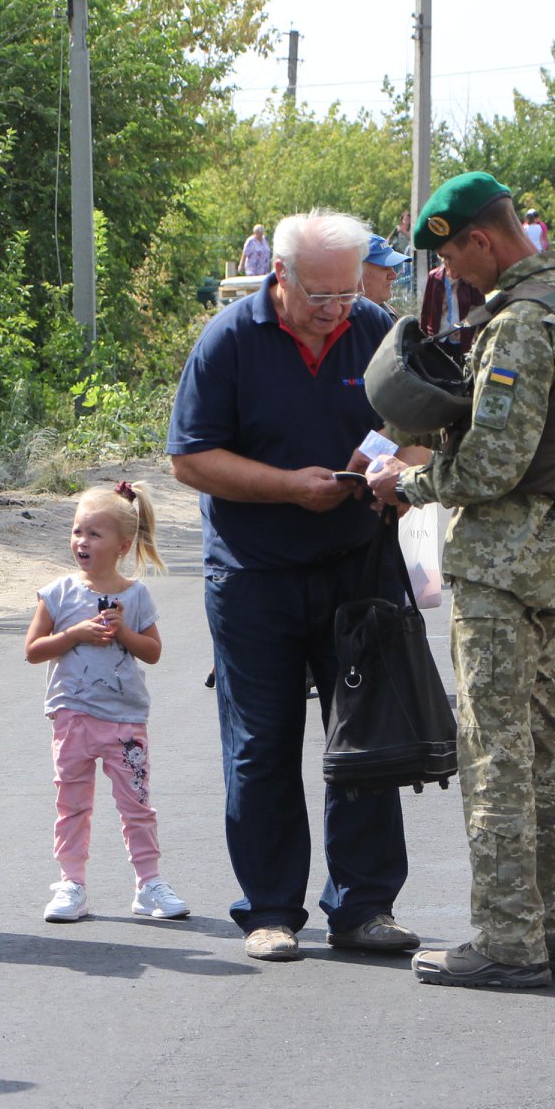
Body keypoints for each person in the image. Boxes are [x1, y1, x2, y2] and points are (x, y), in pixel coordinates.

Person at [368, 172, 555, 990]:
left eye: (452, 260)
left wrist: (405, 485)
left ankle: (510, 942)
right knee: (548, 743)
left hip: (502, 566)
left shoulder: (519, 323)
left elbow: (491, 463)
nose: (452, 277)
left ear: (480, 238)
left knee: (494, 752)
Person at [167, 208, 418, 964]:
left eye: (345, 294)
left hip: (357, 566)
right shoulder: (229, 341)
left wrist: (389, 466)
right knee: (260, 747)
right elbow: (190, 458)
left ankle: (365, 907)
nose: (335, 309)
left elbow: (422, 427)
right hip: (255, 576)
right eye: (320, 295)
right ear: (279, 276)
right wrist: (284, 487)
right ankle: (271, 910)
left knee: (366, 741)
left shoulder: (375, 329)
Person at [24, 481, 187, 924]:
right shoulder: (56, 593)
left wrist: (125, 633)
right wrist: (74, 634)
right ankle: (71, 883)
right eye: (78, 531)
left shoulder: (135, 596)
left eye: (95, 534)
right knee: (72, 804)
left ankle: (149, 884)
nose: (82, 541)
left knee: (137, 804)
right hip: (71, 716)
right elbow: (33, 649)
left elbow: (152, 651)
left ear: (122, 545)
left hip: (125, 720)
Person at [362, 232, 410, 307]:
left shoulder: (388, 314)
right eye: (384, 268)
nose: (394, 276)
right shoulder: (339, 316)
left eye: (392, 267)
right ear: (356, 273)